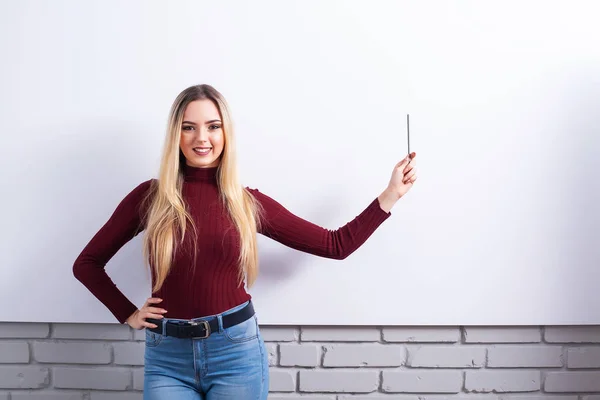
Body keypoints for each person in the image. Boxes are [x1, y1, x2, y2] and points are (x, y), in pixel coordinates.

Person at [72, 84, 417, 399]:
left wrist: (390, 194)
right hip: (167, 357)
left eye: (213, 126)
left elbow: (335, 245)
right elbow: (87, 264)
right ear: (175, 134)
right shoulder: (150, 197)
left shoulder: (246, 203)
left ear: (226, 133)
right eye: (188, 127)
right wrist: (127, 313)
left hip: (234, 353)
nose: (201, 138)